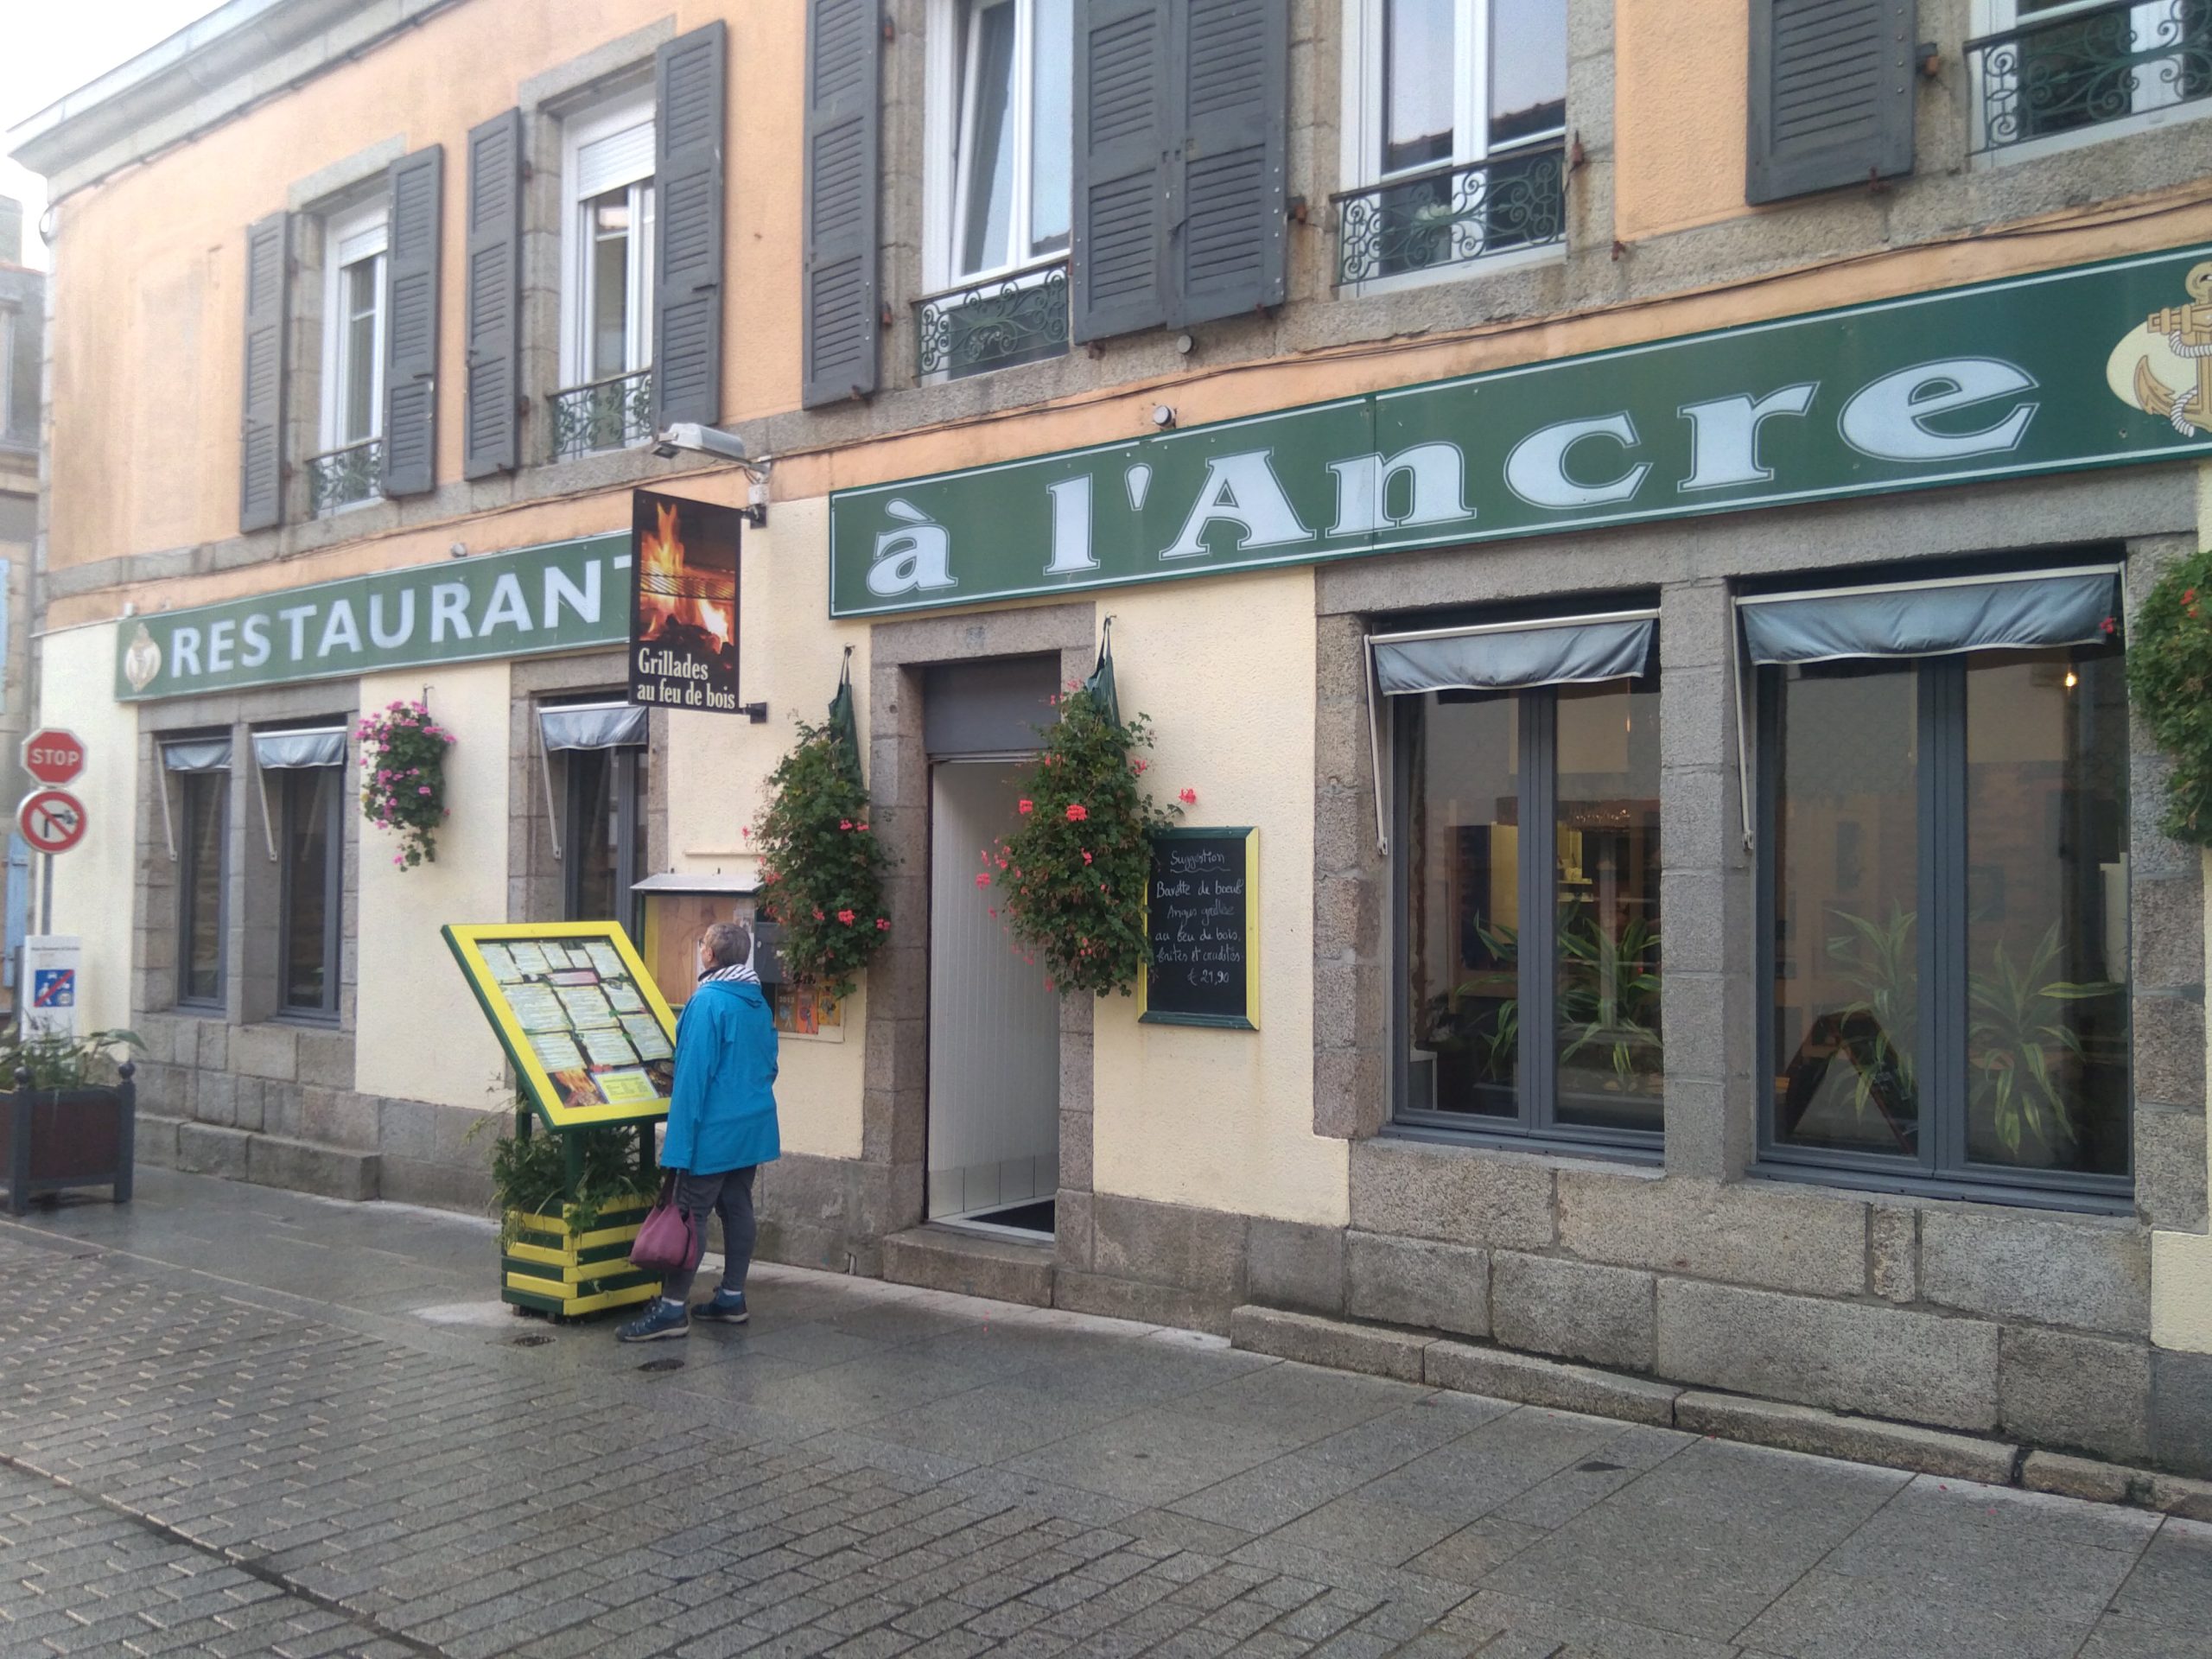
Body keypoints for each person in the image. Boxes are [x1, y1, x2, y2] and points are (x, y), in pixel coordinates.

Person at [617, 919, 780, 1342]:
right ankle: (731, 1297)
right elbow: (770, 1065)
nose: (700, 950)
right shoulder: (756, 1001)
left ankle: (672, 1309)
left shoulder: (708, 1002)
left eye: (702, 944)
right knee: (738, 1206)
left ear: (710, 955)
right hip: (752, 1126)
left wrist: (678, 1149)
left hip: (713, 1129)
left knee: (690, 1213)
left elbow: (691, 1080)